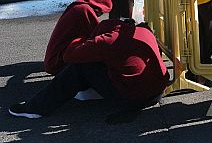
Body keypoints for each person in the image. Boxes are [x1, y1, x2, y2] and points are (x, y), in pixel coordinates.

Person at [9, 19, 168, 119]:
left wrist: (79, 41)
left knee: (80, 67)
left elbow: (69, 56)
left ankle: (37, 108)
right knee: (104, 64)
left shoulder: (107, 41)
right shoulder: (142, 31)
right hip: (157, 93)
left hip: (135, 99)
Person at [44, 0, 113, 75]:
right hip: (57, 62)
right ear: (97, 6)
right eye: (101, 12)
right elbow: (97, 33)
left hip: (54, 59)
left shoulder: (77, 6)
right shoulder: (84, 9)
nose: (100, 15)